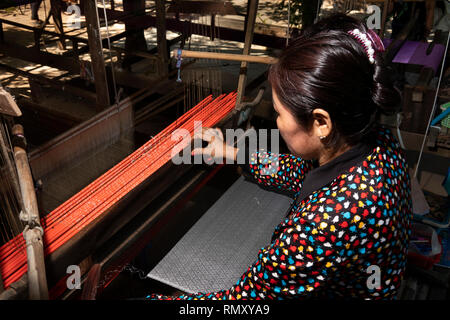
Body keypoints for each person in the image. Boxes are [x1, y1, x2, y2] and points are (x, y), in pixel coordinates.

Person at [147, 13, 412, 300]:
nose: (275, 122)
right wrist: (236, 153)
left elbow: (243, 303)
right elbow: (301, 172)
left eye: (279, 113)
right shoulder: (380, 147)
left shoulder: (322, 226)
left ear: (321, 123)